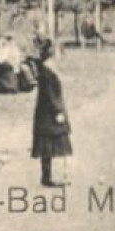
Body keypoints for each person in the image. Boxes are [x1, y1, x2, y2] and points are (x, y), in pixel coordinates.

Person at [32, 41, 73, 187]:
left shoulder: (49, 69)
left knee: (49, 145)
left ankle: (49, 177)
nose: (59, 55)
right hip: (48, 114)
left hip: (48, 112)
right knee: (52, 144)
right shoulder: (46, 71)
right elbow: (49, 95)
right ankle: (51, 177)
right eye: (56, 52)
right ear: (50, 54)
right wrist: (58, 111)